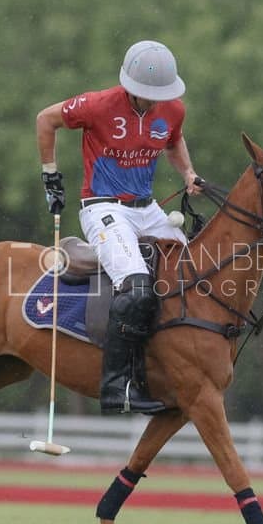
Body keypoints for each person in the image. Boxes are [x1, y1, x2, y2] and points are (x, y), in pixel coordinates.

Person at [36, 40, 201, 415]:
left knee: (193, 275)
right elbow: (46, 119)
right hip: (103, 208)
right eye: (144, 95)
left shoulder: (173, 110)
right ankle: (117, 387)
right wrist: (50, 174)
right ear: (128, 86)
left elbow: (173, 142)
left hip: (149, 210)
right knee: (137, 288)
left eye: (157, 95)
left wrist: (189, 173)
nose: (151, 101)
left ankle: (173, 363)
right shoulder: (97, 105)